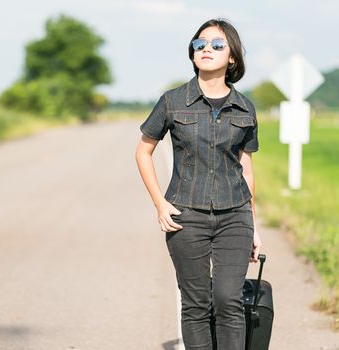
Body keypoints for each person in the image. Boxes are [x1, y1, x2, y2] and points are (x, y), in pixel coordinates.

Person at [135, 18, 262, 350]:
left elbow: (245, 168)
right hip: (185, 214)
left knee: (228, 300)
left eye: (217, 45)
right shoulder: (172, 101)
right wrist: (160, 204)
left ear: (232, 57)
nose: (206, 49)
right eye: (200, 44)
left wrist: (254, 224)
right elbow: (143, 152)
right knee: (196, 304)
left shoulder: (245, 107)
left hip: (235, 215)